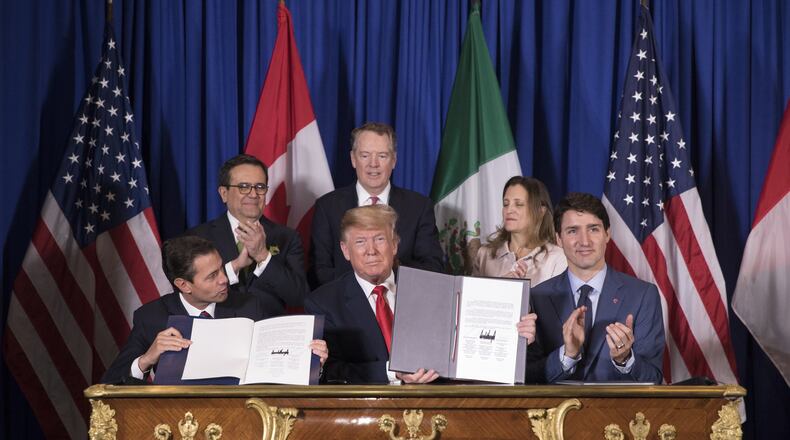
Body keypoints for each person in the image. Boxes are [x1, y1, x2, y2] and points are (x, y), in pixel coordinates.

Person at [306, 205, 538, 384]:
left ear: (395, 245)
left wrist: (514, 337)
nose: (371, 251)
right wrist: (392, 371)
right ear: (345, 250)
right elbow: (331, 371)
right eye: (360, 242)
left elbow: (468, 349)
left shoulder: (435, 289)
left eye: (379, 239)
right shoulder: (323, 303)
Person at [101, 236, 327, 384]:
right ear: (183, 285)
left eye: (221, 269)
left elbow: (275, 368)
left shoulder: (249, 306)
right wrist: (146, 360)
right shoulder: (152, 316)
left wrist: (312, 363)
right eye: (212, 276)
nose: (224, 279)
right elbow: (109, 384)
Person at [526, 193, 664, 383]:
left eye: (593, 229)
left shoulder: (642, 295)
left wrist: (625, 359)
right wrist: (567, 355)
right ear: (559, 239)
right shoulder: (537, 297)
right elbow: (528, 378)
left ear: (607, 234)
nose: (584, 241)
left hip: (619, 412)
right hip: (556, 411)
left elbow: (654, 378)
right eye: (573, 231)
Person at [309, 122, 444, 287]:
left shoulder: (419, 207)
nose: (373, 164)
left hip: (400, 302)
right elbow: (319, 271)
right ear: (353, 159)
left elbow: (433, 267)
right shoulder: (327, 207)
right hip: (345, 307)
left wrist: (387, 276)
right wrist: (363, 288)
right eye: (365, 155)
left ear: (393, 160)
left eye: (382, 156)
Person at [185, 154, 309, 313]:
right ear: (224, 193)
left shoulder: (287, 237)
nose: (253, 194)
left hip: (269, 331)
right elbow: (190, 292)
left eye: (260, 187)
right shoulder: (198, 238)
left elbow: (298, 296)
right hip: (219, 330)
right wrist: (234, 267)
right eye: (243, 187)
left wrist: (264, 257)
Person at [472, 176, 567, 285]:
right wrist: (500, 286)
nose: (509, 210)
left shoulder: (557, 258)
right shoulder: (484, 254)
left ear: (541, 211)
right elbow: (472, 300)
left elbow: (558, 301)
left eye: (519, 204)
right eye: (506, 204)